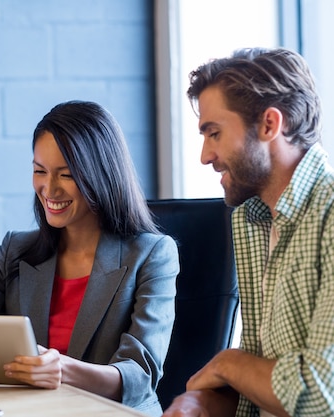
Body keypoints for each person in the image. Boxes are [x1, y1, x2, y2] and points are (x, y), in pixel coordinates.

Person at [0, 100, 179, 415]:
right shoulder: (16, 250)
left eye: (66, 175)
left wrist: (64, 371)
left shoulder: (152, 254)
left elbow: (141, 375)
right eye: (40, 171)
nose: (49, 189)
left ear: (101, 175)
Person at [162, 48, 334, 417]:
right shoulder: (251, 219)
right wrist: (202, 404)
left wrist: (227, 364)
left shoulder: (330, 217)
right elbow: (259, 384)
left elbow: (320, 394)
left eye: (215, 133)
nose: (205, 156)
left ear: (270, 125)